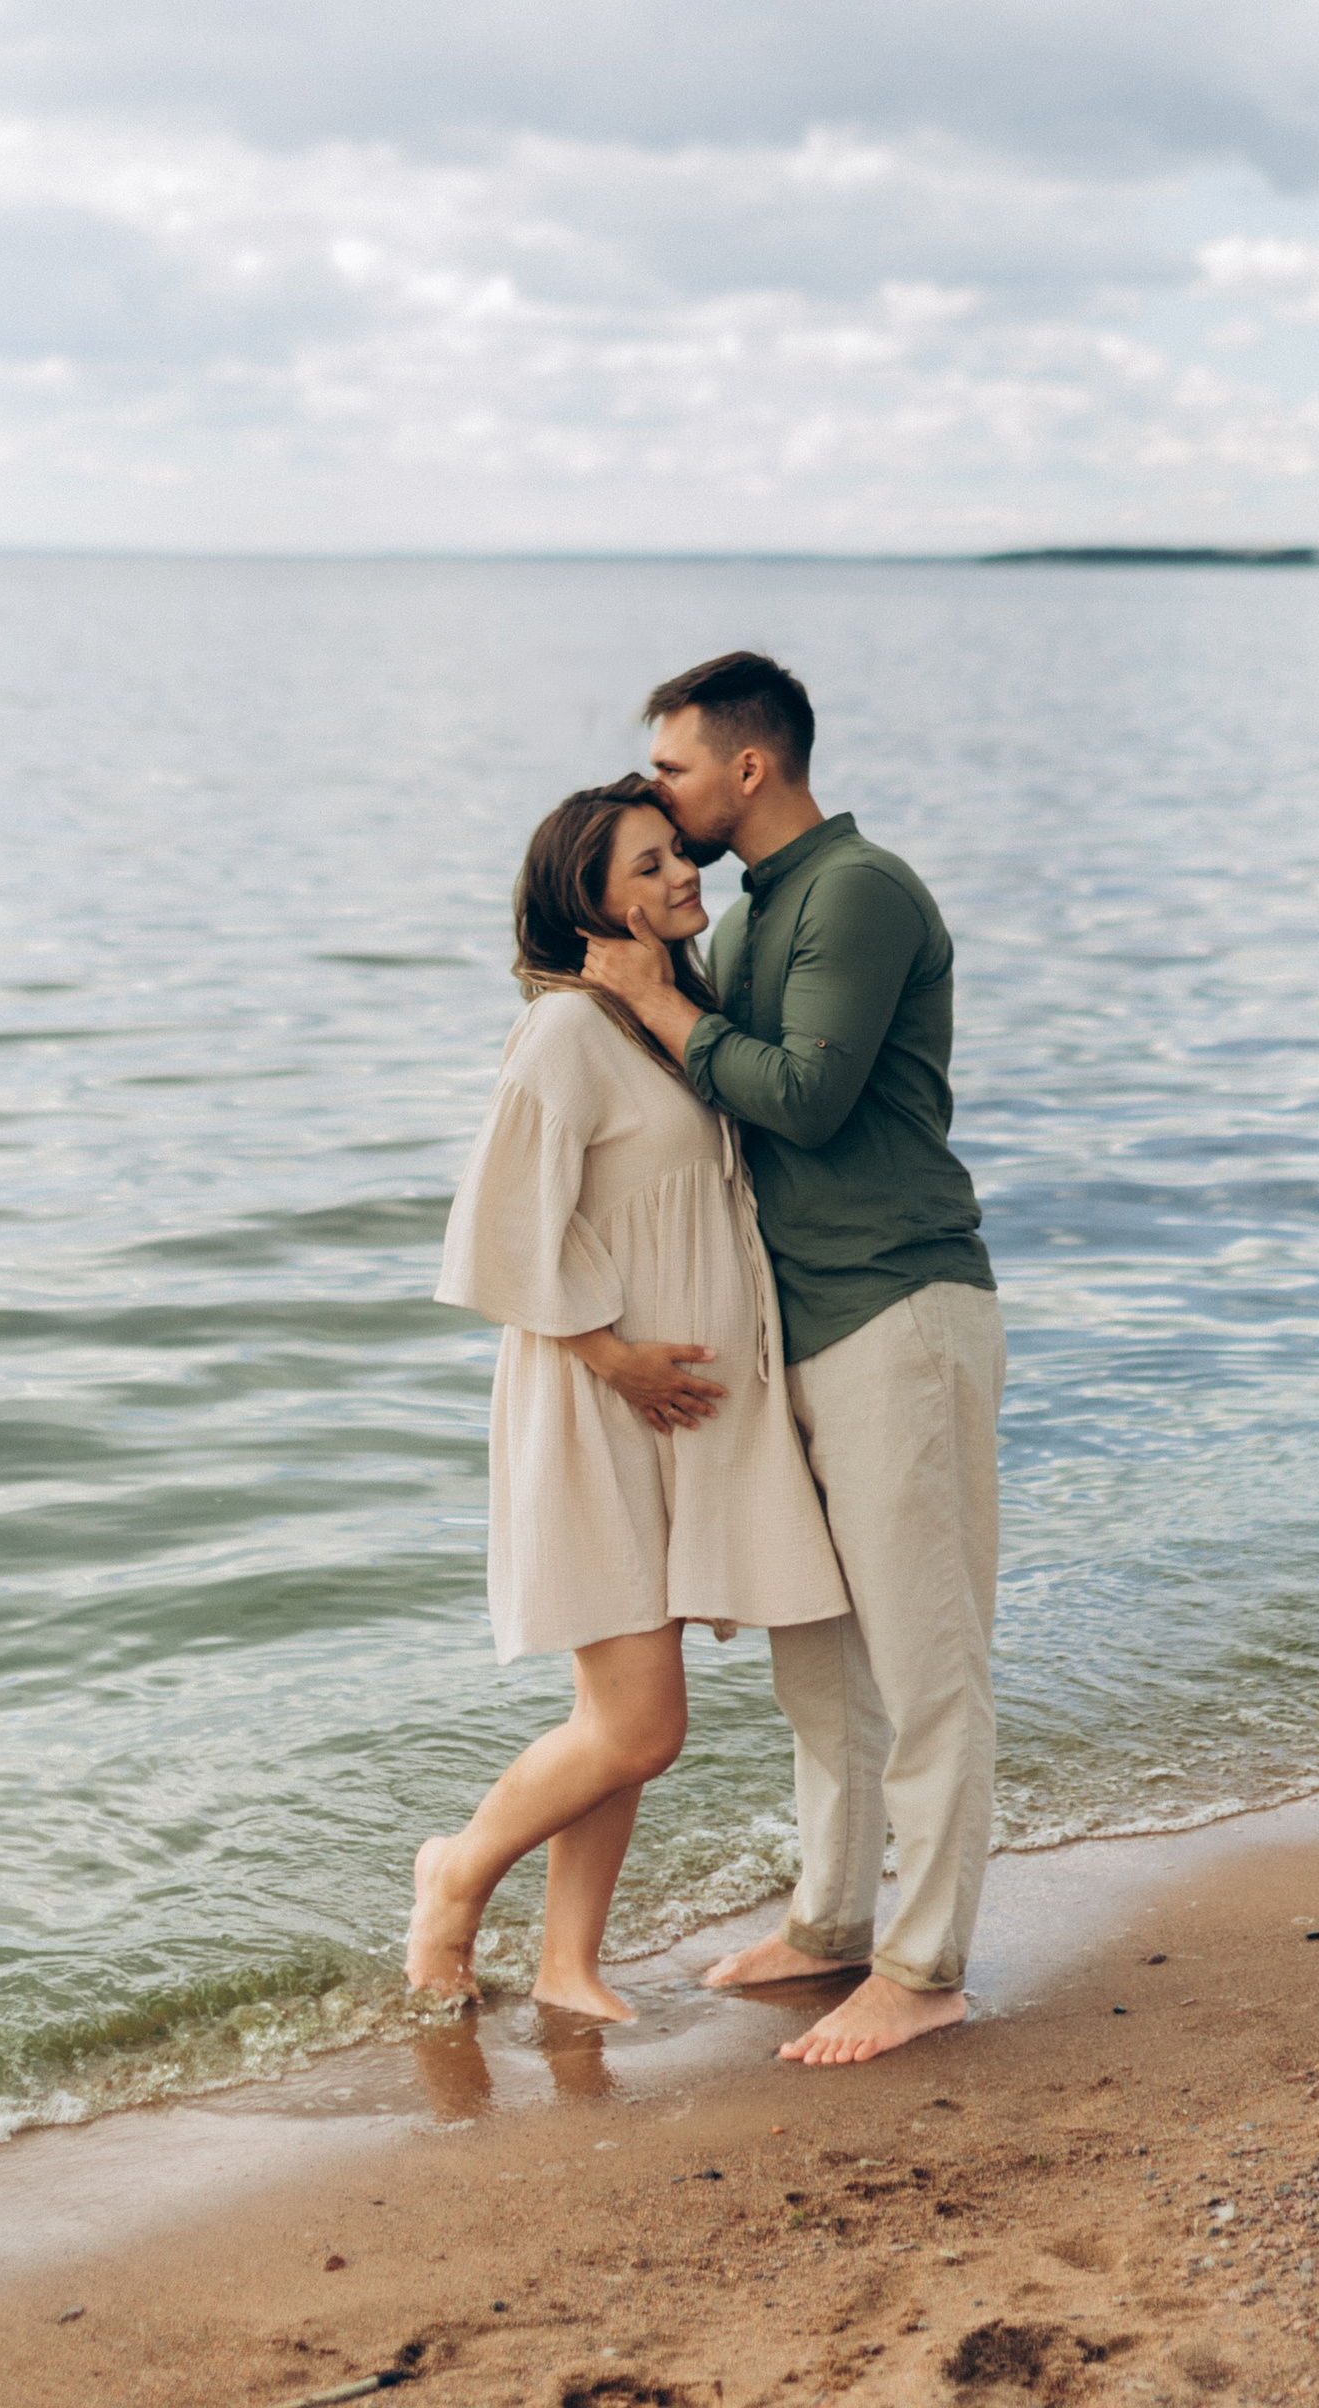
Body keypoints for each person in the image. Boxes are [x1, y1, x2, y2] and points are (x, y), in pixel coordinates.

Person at [581, 649, 1001, 2069]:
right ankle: (830, 1922)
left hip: (899, 1310)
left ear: (748, 767)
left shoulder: (857, 892)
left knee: (926, 1659)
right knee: (818, 1666)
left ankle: (926, 1965)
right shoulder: (760, 909)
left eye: (675, 769)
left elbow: (809, 1100)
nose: (660, 795)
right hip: (799, 1328)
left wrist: (660, 1004)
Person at [411, 774, 846, 2017]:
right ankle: (454, 1875)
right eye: (646, 866)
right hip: (597, 1405)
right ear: (587, 901)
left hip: (672, 1413)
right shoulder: (562, 1033)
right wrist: (612, 1358)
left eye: (675, 854)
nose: (679, 875)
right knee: (641, 1726)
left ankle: (567, 1967)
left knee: (614, 1717)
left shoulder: (662, 1017)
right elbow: (493, 1235)